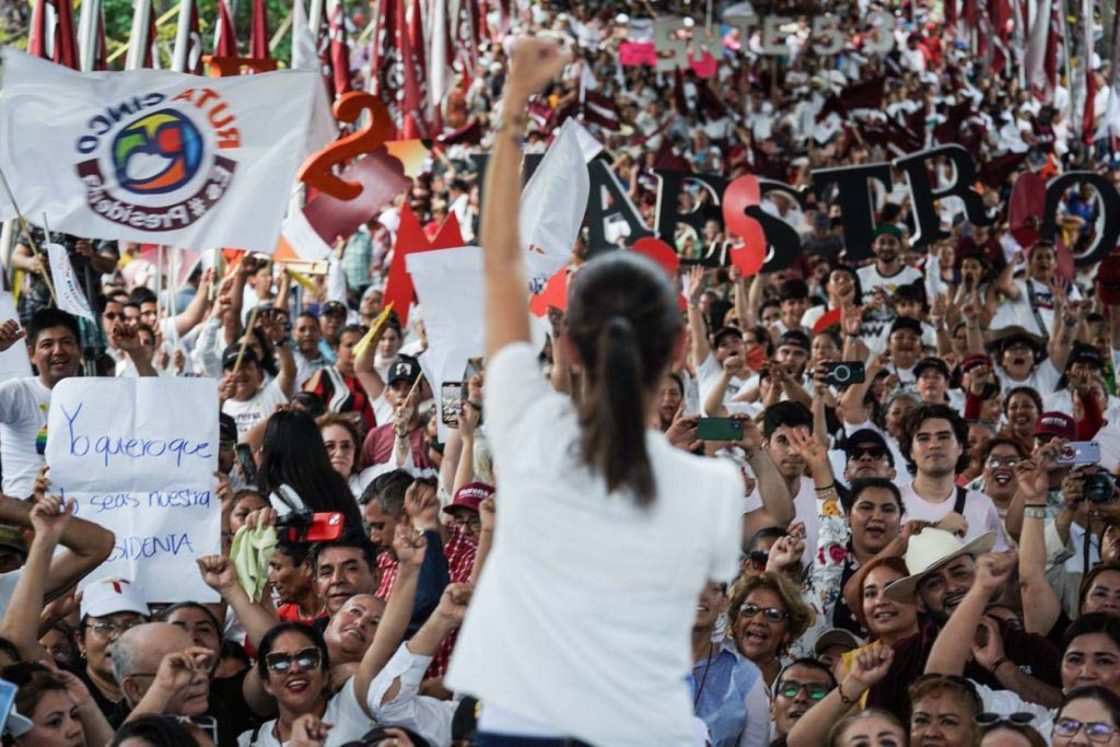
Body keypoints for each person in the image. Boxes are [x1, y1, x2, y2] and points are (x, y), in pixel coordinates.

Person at [444, 36, 744, 745]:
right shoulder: (713, 492)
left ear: (568, 346)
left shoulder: (527, 428)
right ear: (679, 349)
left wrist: (516, 101)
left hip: (521, 728)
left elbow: (502, 263)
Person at [727, 572, 813, 686]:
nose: (758, 620)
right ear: (735, 622)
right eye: (750, 609)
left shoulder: (796, 683)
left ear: (787, 632)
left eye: (773, 614)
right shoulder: (707, 673)